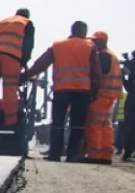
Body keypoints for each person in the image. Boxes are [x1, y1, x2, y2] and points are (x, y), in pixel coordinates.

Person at [21, 21, 101, 162]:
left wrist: (26, 75)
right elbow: (96, 71)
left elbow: (41, 63)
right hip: (82, 91)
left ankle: (55, 155)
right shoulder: (90, 46)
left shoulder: (58, 45)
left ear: (72, 30)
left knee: (57, 123)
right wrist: (95, 91)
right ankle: (72, 155)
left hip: (61, 90)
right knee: (77, 124)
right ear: (84, 32)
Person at [0, 9, 35, 126]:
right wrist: (24, 62)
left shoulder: (2, 22)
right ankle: (10, 122)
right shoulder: (27, 23)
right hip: (12, 57)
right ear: (27, 16)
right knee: (10, 89)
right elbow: (28, 44)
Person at [83, 31, 120, 164]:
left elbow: (99, 74)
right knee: (105, 126)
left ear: (102, 41)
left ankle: (94, 154)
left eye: (94, 41)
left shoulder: (102, 55)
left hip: (100, 95)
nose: (92, 43)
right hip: (110, 95)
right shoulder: (112, 55)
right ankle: (105, 155)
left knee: (94, 125)